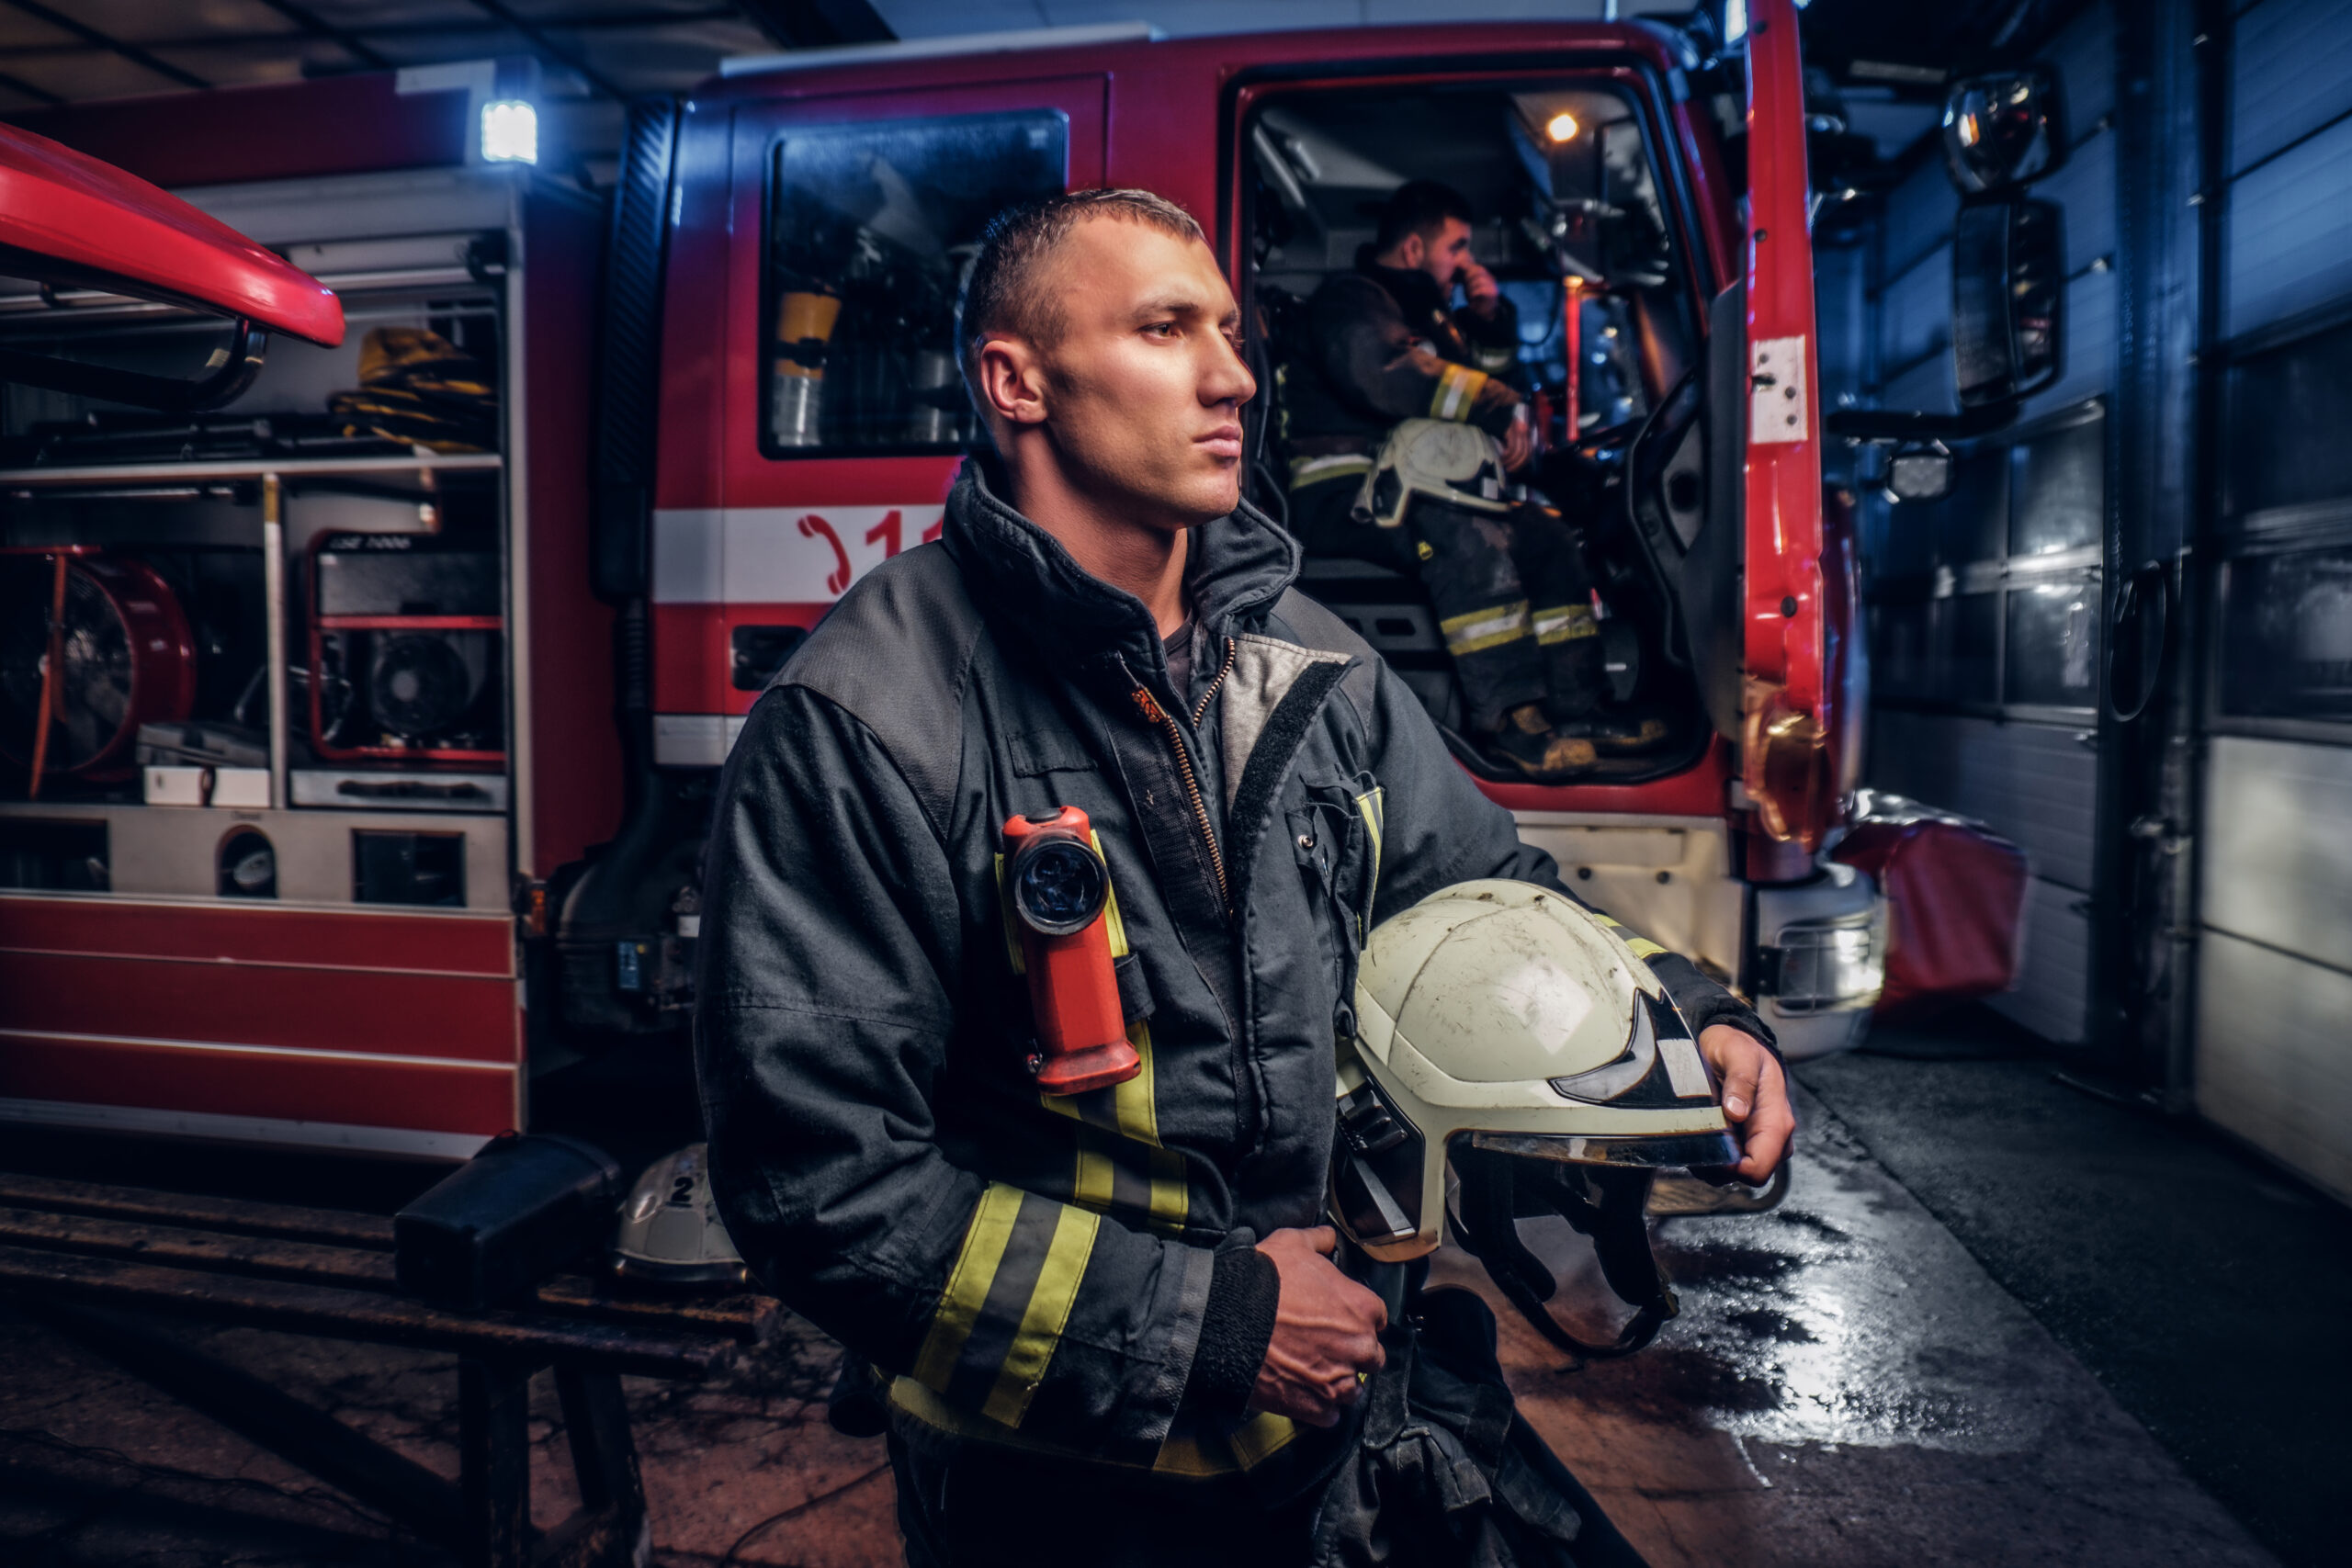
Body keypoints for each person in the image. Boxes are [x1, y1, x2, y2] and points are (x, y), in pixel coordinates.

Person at [695, 187, 1793, 1568]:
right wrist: (1209, 1323)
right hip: (1057, 1486)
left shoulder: (1312, 663)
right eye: (1167, 328)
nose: (1234, 374)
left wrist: (1690, 1012)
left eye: (1227, 329)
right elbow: (818, 1185)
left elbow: (1487, 884)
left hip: (1338, 1433)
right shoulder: (870, 715)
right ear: (1015, 380)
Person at [1279, 179, 1662, 779]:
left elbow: (1471, 376)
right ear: (1412, 250)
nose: (1468, 261)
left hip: (1416, 487)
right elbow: (1381, 372)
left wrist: (1487, 320)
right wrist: (1494, 401)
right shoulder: (1353, 300)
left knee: (1545, 534)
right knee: (1464, 532)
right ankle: (1512, 719)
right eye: (1456, 247)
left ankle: (1579, 710)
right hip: (1347, 495)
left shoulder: (1427, 315)